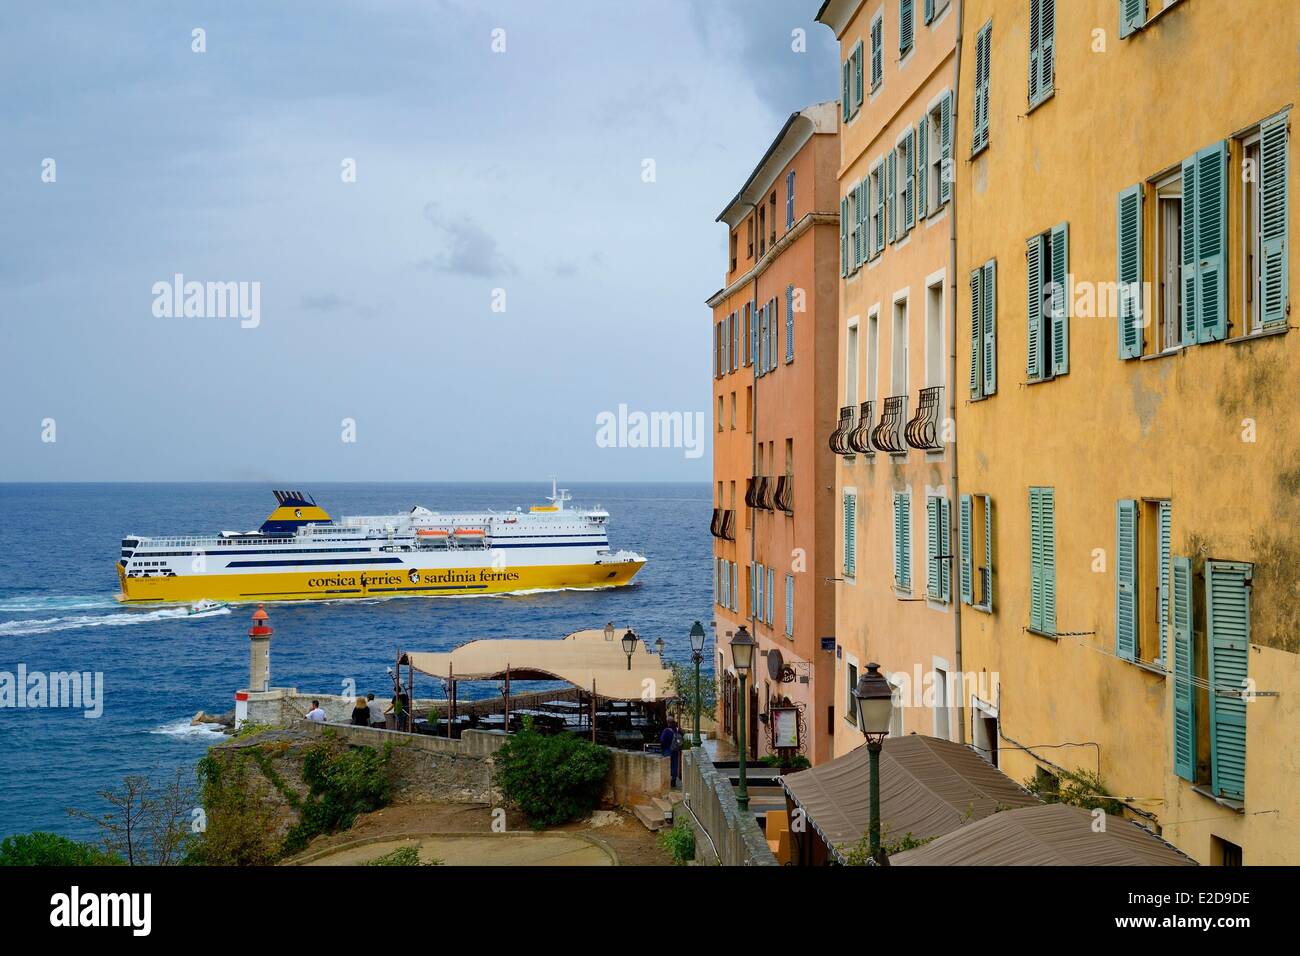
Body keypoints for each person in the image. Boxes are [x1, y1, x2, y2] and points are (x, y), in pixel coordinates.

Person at [660, 717, 683, 787]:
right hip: (675, 750)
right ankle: (673, 780)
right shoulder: (677, 730)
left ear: (667, 722)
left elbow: (662, 740)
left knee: (667, 765)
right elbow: (682, 737)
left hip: (667, 750)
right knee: (674, 765)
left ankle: (667, 781)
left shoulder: (666, 730)